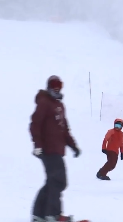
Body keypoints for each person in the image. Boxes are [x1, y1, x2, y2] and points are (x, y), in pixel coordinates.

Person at [29, 75, 81, 222]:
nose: (56, 89)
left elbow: (64, 130)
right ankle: (53, 214)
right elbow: (34, 124)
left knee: (53, 181)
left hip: (57, 150)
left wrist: (73, 146)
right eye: (54, 86)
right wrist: (37, 145)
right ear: (49, 87)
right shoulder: (44, 103)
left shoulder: (59, 106)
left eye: (59, 86)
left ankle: (39, 214)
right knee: (58, 181)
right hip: (47, 149)